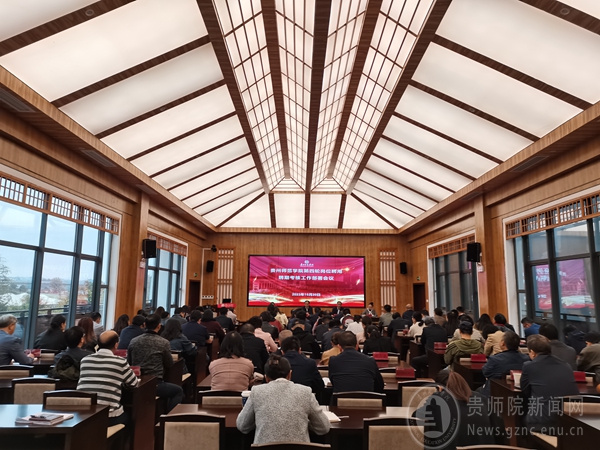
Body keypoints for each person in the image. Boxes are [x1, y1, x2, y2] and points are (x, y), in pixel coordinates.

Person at [236, 355, 330, 444]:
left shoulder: (256, 392)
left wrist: (259, 420)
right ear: (290, 374)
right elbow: (324, 427)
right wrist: (304, 422)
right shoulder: (305, 392)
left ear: (266, 378)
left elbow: (242, 425)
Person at [413, 371, 495, 448]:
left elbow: (416, 415)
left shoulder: (438, 399)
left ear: (439, 388)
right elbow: (498, 426)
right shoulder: (482, 398)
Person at [78, 330, 138, 426]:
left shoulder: (85, 360)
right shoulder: (120, 362)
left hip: (84, 415)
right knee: (131, 417)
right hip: (108, 416)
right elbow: (134, 383)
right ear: (116, 345)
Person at [520, 334, 579, 431]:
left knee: (521, 418)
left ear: (532, 353)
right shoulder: (566, 365)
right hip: (570, 421)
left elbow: (525, 391)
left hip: (544, 423)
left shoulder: (529, 366)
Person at [127, 314, 183, 412]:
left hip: (136, 382)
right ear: (159, 326)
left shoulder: (133, 341)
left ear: (144, 325)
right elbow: (169, 364)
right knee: (178, 391)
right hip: (155, 384)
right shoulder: (163, 342)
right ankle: (169, 417)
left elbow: (129, 362)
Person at [480, 330, 529, 396]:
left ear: (503, 343)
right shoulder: (526, 359)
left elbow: (485, 372)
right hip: (521, 393)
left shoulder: (494, 359)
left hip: (495, 392)